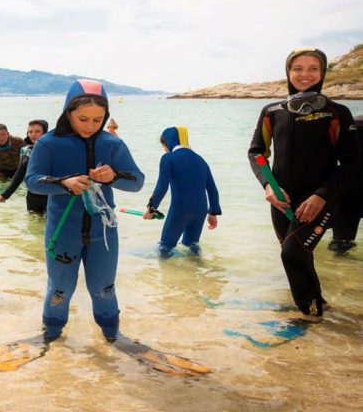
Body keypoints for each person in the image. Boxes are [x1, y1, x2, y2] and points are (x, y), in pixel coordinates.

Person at [26, 79, 144, 342]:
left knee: (104, 289)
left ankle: (113, 337)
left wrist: (113, 176)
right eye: (83, 119)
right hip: (62, 230)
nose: (90, 126)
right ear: (68, 112)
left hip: (103, 233)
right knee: (59, 289)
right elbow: (32, 182)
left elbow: (137, 182)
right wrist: (63, 183)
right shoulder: (48, 143)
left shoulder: (112, 144)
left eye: (98, 120)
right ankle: (51, 337)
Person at [248, 48, 360, 320]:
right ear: (288, 72)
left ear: (322, 73)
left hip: (320, 198)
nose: (305, 74)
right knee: (299, 254)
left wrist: (321, 196)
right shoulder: (272, 111)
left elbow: (352, 162)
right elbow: (257, 152)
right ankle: (318, 301)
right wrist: (268, 187)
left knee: (292, 254)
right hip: (281, 199)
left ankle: (310, 316)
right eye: (298, 68)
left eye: (313, 68)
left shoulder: (337, 112)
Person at [143, 126, 221, 257]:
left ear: (167, 142)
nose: (164, 149)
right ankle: (198, 270)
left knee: (165, 246)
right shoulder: (201, 160)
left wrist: (151, 208)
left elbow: (162, 187)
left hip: (181, 209)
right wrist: (213, 212)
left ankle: (167, 275)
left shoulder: (168, 158)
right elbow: (212, 189)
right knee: (192, 245)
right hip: (200, 210)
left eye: (163, 145)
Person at [0, 119, 49, 214]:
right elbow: (20, 173)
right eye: (30, 131)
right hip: (32, 196)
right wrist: (5, 194)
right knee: (33, 225)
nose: (33, 134)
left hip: (50, 195)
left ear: (45, 133)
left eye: (37, 131)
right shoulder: (25, 150)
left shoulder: (52, 149)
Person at [328, 115, 363, 253]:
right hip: (349, 186)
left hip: (346, 186)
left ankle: (336, 269)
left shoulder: (346, 123)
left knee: (341, 242)